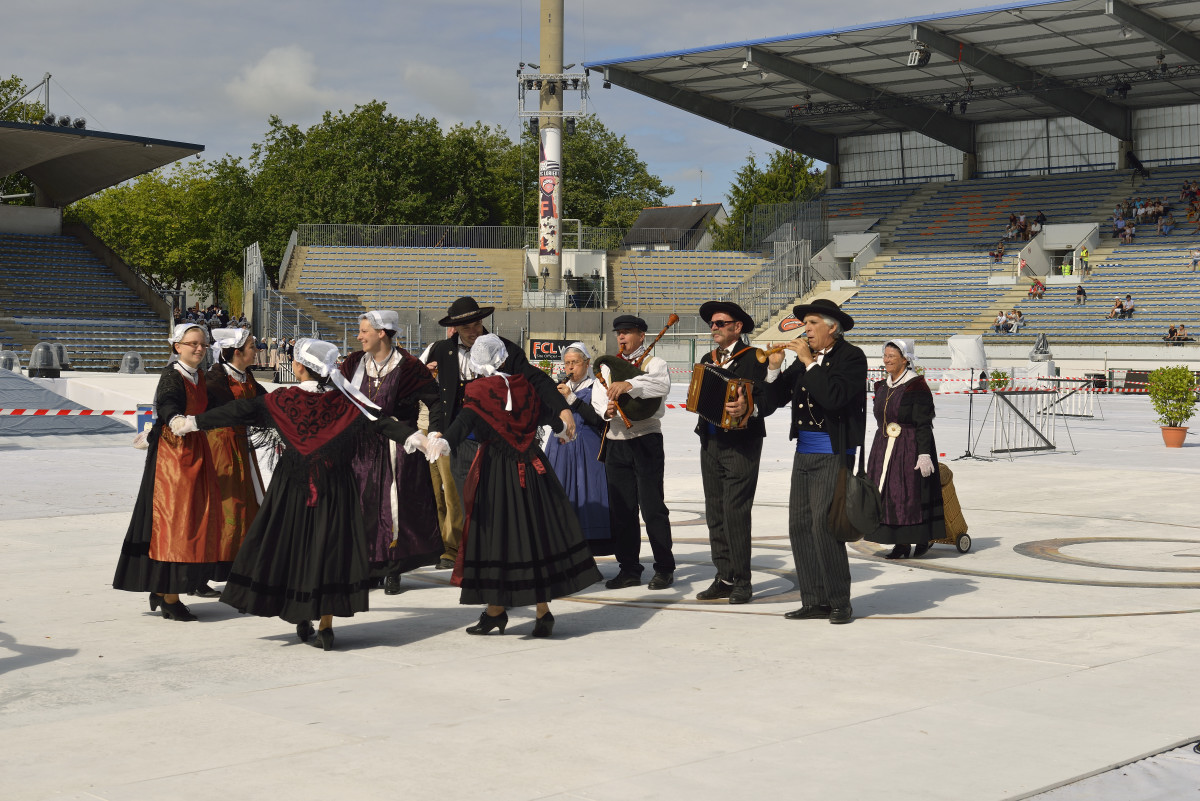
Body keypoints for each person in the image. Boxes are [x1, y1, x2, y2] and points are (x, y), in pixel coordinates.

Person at [174, 338, 421, 651]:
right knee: (330, 551)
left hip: (292, 487)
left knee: (293, 548)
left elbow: (238, 410)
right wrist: (421, 440)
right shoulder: (346, 404)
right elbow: (382, 424)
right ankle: (326, 625)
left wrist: (192, 422)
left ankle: (301, 612)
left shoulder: (282, 400)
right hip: (336, 489)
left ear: (299, 367)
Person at [426, 335, 602, 637]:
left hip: (496, 471)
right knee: (533, 536)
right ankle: (541, 612)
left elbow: (463, 424)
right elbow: (549, 418)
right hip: (533, 470)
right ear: (503, 358)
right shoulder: (524, 386)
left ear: (477, 362)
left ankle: (496, 611)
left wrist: (440, 441)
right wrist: (563, 429)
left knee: (497, 539)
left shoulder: (478, 390)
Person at [759, 298, 868, 625]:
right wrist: (774, 369)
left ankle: (839, 601)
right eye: (804, 324)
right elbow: (771, 403)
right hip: (804, 452)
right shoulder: (805, 360)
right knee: (800, 526)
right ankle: (813, 600)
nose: (804, 330)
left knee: (824, 526)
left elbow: (834, 398)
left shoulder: (852, 357)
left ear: (832, 328)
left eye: (811, 324)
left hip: (834, 452)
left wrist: (809, 362)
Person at [112, 323, 226, 622]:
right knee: (175, 520)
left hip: (195, 449)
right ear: (177, 347)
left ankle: (163, 589)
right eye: (192, 344)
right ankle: (170, 595)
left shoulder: (200, 376)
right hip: (173, 456)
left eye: (202, 344)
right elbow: (167, 403)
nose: (199, 348)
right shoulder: (172, 375)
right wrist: (175, 419)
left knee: (192, 518)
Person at [423, 297, 573, 502]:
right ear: (455, 328)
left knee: (500, 503)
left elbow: (537, 380)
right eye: (466, 327)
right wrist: (436, 428)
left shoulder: (504, 349)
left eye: (477, 324)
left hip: (499, 446)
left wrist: (562, 409)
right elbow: (434, 395)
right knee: (467, 504)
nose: (474, 331)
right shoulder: (441, 350)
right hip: (461, 441)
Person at [341, 310, 444, 594]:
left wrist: (434, 432)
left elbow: (435, 401)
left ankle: (394, 568)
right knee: (363, 505)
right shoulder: (354, 363)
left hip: (399, 447)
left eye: (364, 331)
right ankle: (369, 566)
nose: (359, 337)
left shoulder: (409, 366)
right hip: (361, 448)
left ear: (381, 333)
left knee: (396, 507)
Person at [592, 314, 676, 590]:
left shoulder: (654, 363)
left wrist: (631, 384)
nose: (621, 337)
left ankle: (664, 567)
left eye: (627, 332)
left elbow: (661, 386)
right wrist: (607, 410)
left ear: (641, 336)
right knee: (623, 510)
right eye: (619, 332)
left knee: (652, 508)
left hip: (645, 439)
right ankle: (628, 568)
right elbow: (597, 398)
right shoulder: (608, 367)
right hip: (616, 441)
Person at [692, 301, 767, 605]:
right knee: (715, 512)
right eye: (712, 324)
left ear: (737, 327)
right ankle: (724, 577)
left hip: (741, 444)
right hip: (709, 442)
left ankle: (742, 581)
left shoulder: (754, 358)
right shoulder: (707, 360)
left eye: (720, 323)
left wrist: (749, 406)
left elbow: (767, 396)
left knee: (735, 512)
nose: (714, 328)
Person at [201, 327, 268, 596]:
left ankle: (241, 569)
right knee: (224, 507)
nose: (256, 350)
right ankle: (205, 572)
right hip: (220, 449)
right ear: (237, 352)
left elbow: (267, 402)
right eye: (251, 347)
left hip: (242, 447)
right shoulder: (214, 380)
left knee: (247, 506)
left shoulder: (246, 376)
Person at [865, 341, 945, 560]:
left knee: (907, 496)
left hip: (909, 446)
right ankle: (900, 542)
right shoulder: (881, 386)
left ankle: (920, 537)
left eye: (891, 356)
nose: (886, 360)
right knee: (889, 495)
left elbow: (924, 423)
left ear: (905, 359)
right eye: (885, 355)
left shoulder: (916, 386)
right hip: (884, 446)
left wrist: (924, 453)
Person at [543, 341, 612, 557]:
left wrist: (570, 399)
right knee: (560, 493)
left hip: (586, 449)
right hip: (560, 449)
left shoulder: (596, 387)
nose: (570, 367)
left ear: (587, 363)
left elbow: (597, 420)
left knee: (586, 491)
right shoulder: (560, 387)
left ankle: (590, 545)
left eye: (575, 362)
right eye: (567, 363)